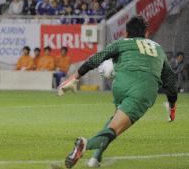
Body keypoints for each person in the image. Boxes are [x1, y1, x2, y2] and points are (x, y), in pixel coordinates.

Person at [58, 16, 178, 168]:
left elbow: (96, 59)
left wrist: (75, 77)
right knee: (115, 129)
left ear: (126, 33)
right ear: (146, 34)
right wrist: (172, 106)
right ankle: (84, 145)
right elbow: (170, 80)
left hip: (120, 85)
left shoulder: (121, 43)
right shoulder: (158, 48)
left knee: (115, 119)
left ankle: (96, 159)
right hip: (142, 91)